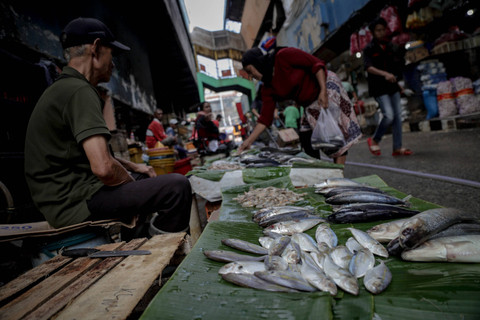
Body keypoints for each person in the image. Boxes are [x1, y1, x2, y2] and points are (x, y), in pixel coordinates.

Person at [24, 17, 191, 237]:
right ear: (95, 49)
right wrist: (131, 186)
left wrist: (133, 167)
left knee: (146, 179)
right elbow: (103, 167)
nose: (113, 63)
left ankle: (138, 241)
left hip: (69, 196)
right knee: (177, 187)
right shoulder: (79, 91)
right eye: (111, 54)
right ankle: (161, 250)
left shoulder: (65, 88)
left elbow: (91, 156)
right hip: (73, 203)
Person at [239, 47, 362, 164]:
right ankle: (319, 172)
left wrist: (323, 91)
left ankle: (339, 175)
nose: (252, 76)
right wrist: (248, 142)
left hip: (325, 86)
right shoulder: (267, 88)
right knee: (306, 138)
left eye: (250, 71)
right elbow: (265, 119)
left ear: (258, 62)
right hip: (308, 103)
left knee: (332, 137)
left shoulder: (283, 56)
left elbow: (316, 65)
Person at [363, 17, 412, 156]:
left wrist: (399, 85)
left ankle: (397, 147)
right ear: (373, 32)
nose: (381, 32)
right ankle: (375, 140)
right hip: (379, 88)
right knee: (389, 115)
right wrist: (384, 74)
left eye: (383, 29)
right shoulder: (369, 49)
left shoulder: (391, 46)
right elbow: (368, 67)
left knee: (397, 117)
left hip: (393, 86)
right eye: (378, 30)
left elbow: (396, 68)